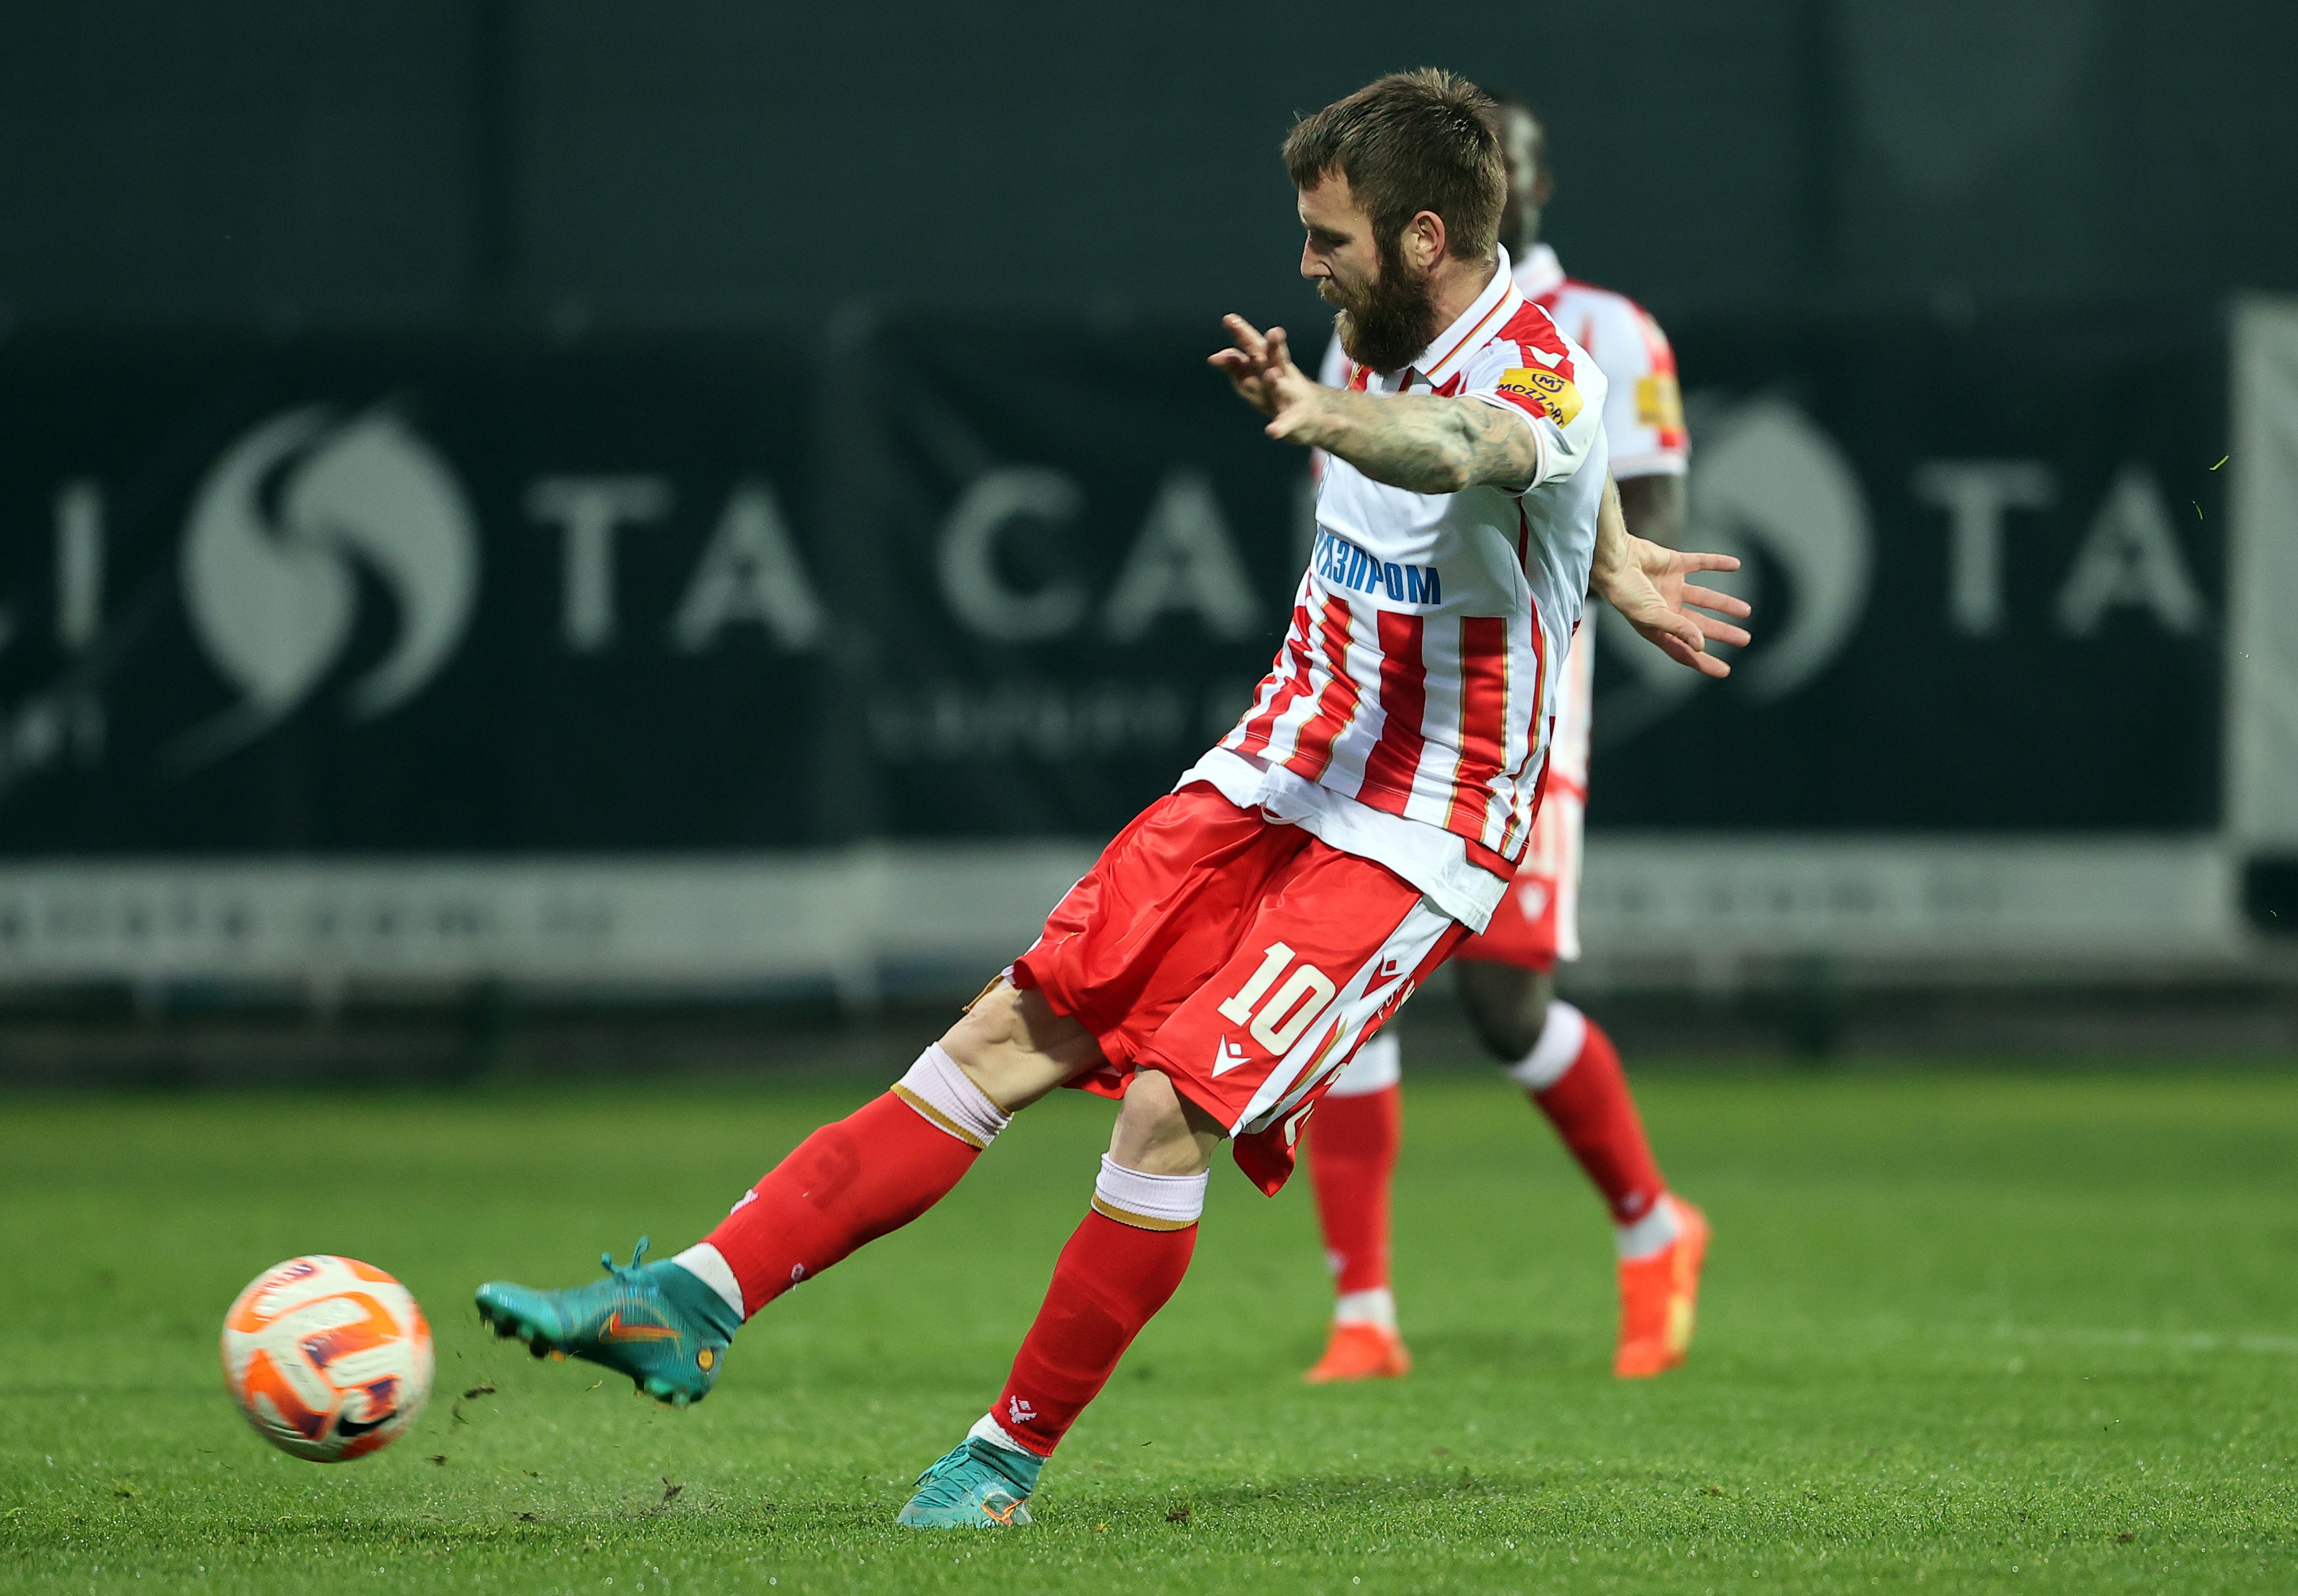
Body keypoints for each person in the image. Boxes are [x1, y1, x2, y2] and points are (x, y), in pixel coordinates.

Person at [471, 68, 1747, 1530]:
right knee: (995, 1037)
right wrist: (1595, 555)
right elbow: (1524, 501)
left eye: (1326, 237)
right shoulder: (1368, 325)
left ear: (1420, 237)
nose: (1303, 264)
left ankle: (997, 1463)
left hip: (1415, 832)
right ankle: (685, 1300)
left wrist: (1322, 416)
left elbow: (1473, 450)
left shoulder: (1533, 368)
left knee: (1162, 1104)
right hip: (1267, 770)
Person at [1297, 92, 1711, 1387]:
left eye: (1523, 158)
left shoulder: (1599, 332)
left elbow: (1646, 514)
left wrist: (1582, 547)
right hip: (1377, 692)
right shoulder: (1367, 314)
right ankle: (1362, 1315)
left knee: (1504, 1000)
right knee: (1341, 985)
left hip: (1518, 703)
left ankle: (1656, 1226)